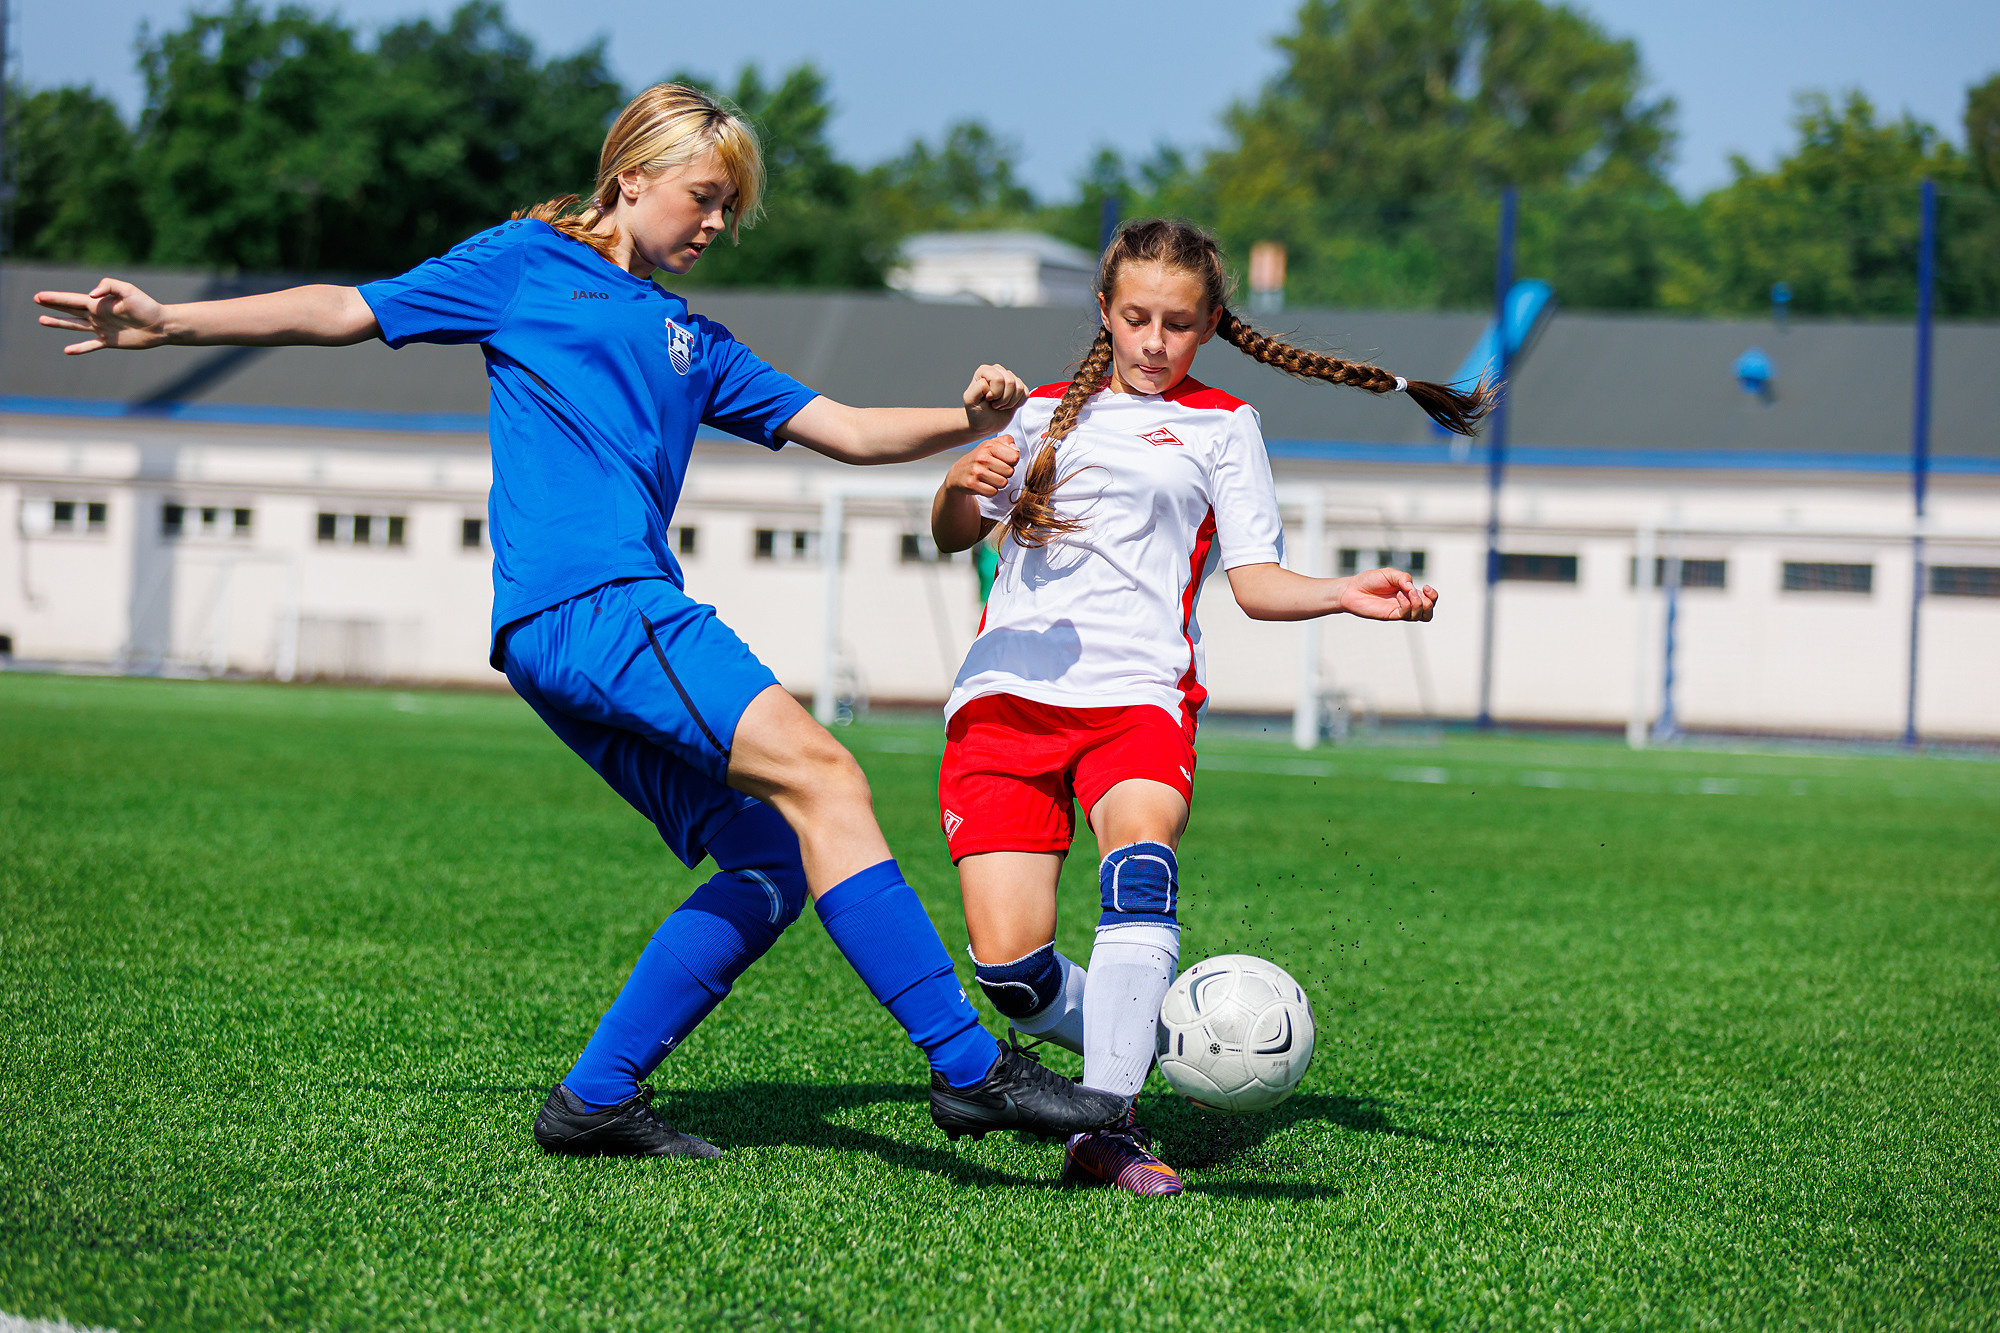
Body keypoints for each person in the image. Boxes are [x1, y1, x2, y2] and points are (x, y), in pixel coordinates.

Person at [36, 83, 1128, 1158]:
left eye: (727, 210)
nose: (712, 225)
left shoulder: (689, 336)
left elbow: (837, 426)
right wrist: (172, 320)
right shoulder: (520, 265)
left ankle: (595, 1098)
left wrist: (968, 418)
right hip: (599, 606)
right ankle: (968, 1069)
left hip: (562, 636)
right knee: (828, 778)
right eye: (702, 198)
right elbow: (347, 306)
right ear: (630, 177)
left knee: (766, 860)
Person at [928, 218, 1491, 1195]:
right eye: (1136, 317)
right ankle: (1143, 1028)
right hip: (1003, 700)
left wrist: (1345, 590)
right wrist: (956, 479)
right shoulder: (1035, 418)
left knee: (1139, 863)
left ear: (1209, 326)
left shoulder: (1223, 424)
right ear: (1104, 312)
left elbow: (1257, 579)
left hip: (1139, 696)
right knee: (1011, 977)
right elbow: (948, 534)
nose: (1154, 339)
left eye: (1178, 323)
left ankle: (1105, 1124)